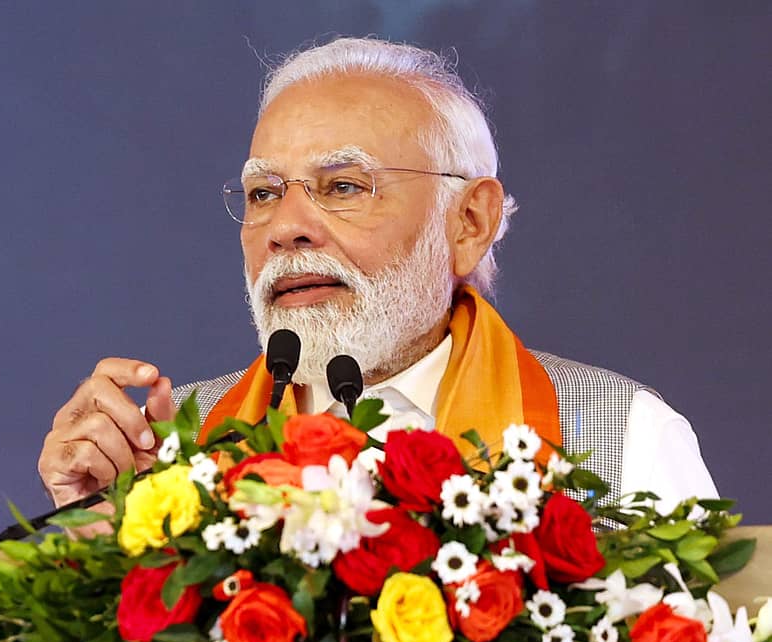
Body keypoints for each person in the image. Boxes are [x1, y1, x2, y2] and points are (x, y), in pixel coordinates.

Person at [37, 37, 716, 523]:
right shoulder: (170, 451)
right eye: (264, 192)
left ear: (470, 220)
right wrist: (97, 536)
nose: (285, 228)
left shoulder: (624, 438)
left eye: (343, 185)